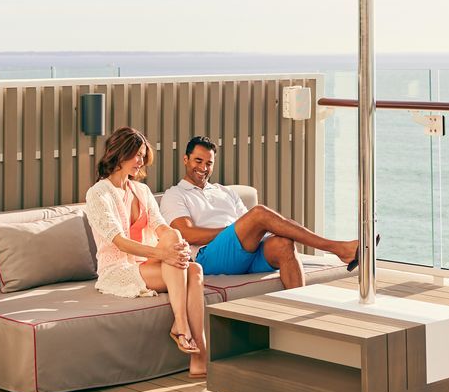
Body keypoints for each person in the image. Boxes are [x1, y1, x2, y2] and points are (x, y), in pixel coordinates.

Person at [159, 135, 362, 290]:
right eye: (198, 161)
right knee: (259, 214)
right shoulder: (175, 194)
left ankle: (300, 313)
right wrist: (234, 230)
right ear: (186, 159)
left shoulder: (225, 191)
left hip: (245, 253)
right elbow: (187, 234)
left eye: (208, 163)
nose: (203, 168)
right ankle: (337, 248)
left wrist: (263, 231)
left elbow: (249, 227)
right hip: (208, 256)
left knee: (283, 244)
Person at [84, 127, 209, 377]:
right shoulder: (98, 193)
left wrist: (176, 243)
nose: (140, 161)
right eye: (135, 155)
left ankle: (189, 342)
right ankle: (193, 344)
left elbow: (159, 224)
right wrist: (165, 255)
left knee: (187, 258)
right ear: (119, 154)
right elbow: (119, 242)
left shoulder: (140, 191)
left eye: (143, 155)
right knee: (191, 270)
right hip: (117, 270)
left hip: (148, 263)